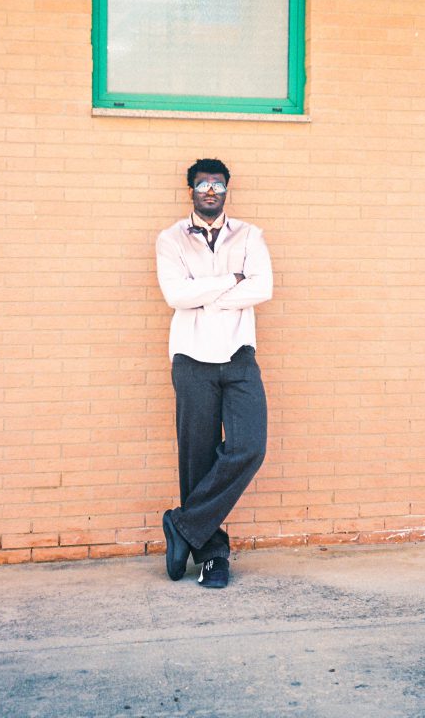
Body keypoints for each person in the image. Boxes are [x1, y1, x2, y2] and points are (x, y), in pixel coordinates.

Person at [156, 158, 273, 588]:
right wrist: (231, 281)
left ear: (226, 191)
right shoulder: (171, 239)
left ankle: (183, 524)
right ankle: (212, 557)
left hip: (239, 355)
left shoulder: (249, 235)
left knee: (249, 447)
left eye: (218, 185)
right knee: (197, 457)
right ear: (191, 190)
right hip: (191, 358)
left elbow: (262, 287)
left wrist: (205, 297)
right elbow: (175, 295)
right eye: (203, 185)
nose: (211, 191)